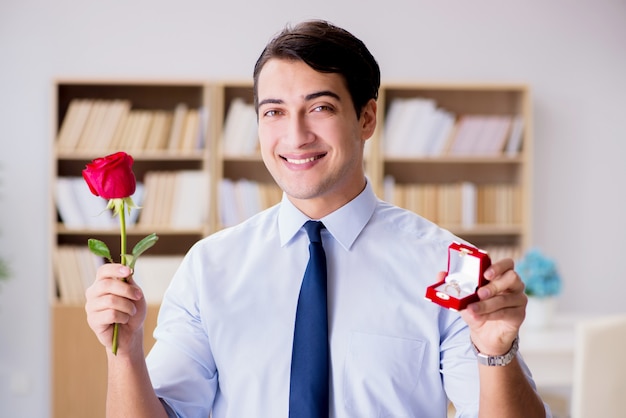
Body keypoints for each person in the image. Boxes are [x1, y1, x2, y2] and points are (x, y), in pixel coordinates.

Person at [85, 19, 550, 417]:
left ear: (366, 118)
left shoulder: (444, 266)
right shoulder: (210, 267)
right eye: (274, 112)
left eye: (320, 108)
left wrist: (497, 354)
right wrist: (124, 354)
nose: (295, 135)